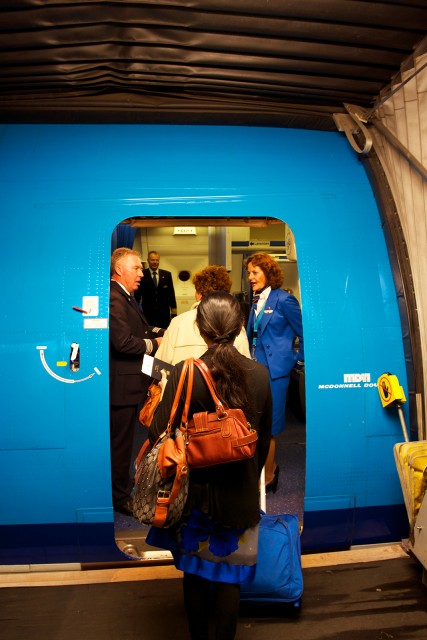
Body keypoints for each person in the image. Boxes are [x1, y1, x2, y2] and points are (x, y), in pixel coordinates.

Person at [146, 291, 272, 640]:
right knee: (231, 576)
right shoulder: (260, 375)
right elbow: (262, 440)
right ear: (239, 328)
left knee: (195, 574)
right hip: (240, 494)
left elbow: (160, 431)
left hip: (195, 494)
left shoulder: (188, 373)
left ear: (200, 329)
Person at [109, 247, 164, 516]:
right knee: (120, 444)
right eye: (137, 268)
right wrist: (155, 344)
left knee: (125, 442)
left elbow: (142, 327)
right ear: (119, 270)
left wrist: (166, 331)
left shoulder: (126, 297)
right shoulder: (114, 298)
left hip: (131, 384)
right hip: (121, 389)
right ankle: (119, 497)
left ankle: (121, 485)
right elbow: (123, 343)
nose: (141, 273)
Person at [245, 252, 304, 493]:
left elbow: (305, 332)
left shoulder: (284, 300)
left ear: (268, 273)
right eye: (249, 272)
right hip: (254, 371)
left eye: (254, 272)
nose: (250, 277)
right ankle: (266, 468)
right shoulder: (256, 300)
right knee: (256, 425)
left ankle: (269, 476)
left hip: (276, 373)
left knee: (270, 427)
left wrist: (296, 361)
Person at [156, 265, 251, 365]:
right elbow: (245, 365)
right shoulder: (236, 324)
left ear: (199, 294)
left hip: (186, 379)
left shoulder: (178, 323)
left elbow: (160, 363)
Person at [134, 250, 177, 329]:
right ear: (148, 261)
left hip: (164, 313)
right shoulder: (142, 274)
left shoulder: (167, 274)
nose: (155, 262)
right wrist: (137, 313)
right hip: (148, 313)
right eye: (152, 260)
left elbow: (171, 294)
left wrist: (174, 313)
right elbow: (137, 296)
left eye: (157, 260)